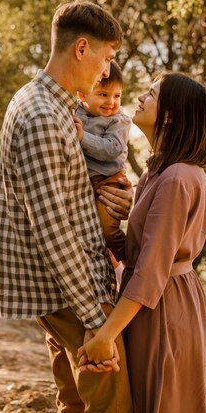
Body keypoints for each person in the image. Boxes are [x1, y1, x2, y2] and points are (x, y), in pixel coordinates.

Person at [0, 0, 134, 413]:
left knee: (74, 407)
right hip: (71, 295)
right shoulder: (40, 116)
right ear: (81, 49)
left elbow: (69, 202)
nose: (106, 71)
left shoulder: (53, 105)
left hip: (66, 289)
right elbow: (53, 229)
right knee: (110, 412)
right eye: (106, 58)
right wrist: (96, 320)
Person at [78, 72, 206, 413]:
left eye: (151, 94)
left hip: (163, 306)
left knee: (162, 407)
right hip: (154, 299)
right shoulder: (159, 171)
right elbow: (140, 254)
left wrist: (105, 336)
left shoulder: (176, 178)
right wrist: (112, 219)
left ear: (169, 116)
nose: (139, 98)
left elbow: (151, 271)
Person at [74, 60, 132, 262]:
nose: (111, 102)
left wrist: (83, 138)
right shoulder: (74, 111)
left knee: (108, 230)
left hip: (109, 181)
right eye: (103, 95)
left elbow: (112, 149)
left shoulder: (119, 120)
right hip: (85, 182)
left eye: (117, 96)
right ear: (83, 95)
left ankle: (129, 259)